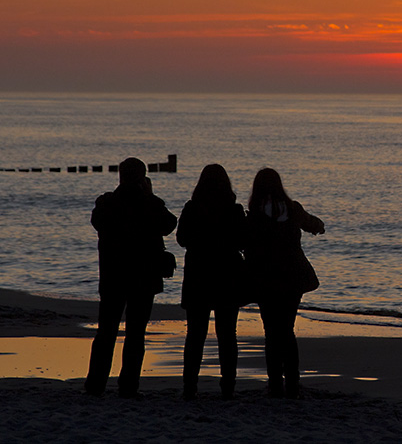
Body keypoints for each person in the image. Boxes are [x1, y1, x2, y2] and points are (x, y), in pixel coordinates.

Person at [84, 157, 177, 398]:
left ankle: (95, 385)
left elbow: (97, 221)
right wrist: (150, 195)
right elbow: (169, 224)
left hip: (113, 277)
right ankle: (128, 386)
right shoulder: (149, 204)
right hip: (143, 278)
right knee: (136, 334)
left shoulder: (107, 204)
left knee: (106, 332)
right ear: (142, 178)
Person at [245, 168, 325, 399]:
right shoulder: (292, 209)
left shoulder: (255, 214)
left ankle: (274, 384)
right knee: (287, 330)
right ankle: (292, 383)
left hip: (266, 278)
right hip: (293, 277)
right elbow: (314, 224)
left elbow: (246, 242)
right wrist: (318, 227)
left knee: (271, 331)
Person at [176, 164, 247, 400]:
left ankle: (190, 386)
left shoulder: (192, 208)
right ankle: (228, 386)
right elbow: (242, 242)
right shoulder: (234, 210)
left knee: (195, 335)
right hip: (228, 275)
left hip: (198, 275)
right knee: (228, 335)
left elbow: (182, 239)